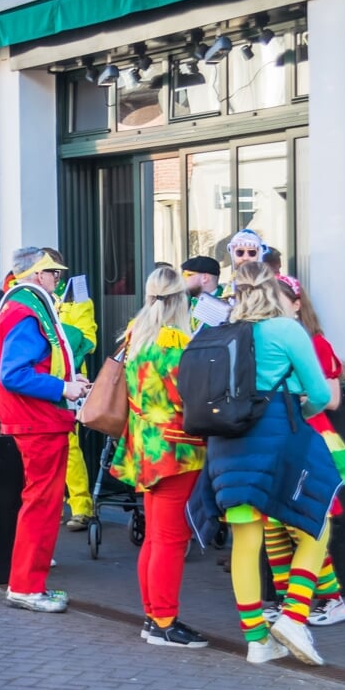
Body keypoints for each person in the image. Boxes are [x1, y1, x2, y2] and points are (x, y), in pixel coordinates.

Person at [186, 262, 333, 664]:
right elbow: (320, 393)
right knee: (315, 523)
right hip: (277, 438)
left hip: (225, 442)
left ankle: (256, 641)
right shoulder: (286, 329)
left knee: (246, 539)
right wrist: (303, 409)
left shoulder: (219, 332)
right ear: (272, 292)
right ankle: (294, 614)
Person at [108, 266, 208, 647]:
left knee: (155, 537)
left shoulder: (136, 335)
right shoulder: (177, 343)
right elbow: (190, 398)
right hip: (176, 446)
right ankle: (163, 622)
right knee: (169, 539)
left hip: (145, 443)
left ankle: (154, 616)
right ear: (181, 299)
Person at [0, 247, 91, 613]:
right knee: (42, 505)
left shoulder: (17, 306)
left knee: (41, 503)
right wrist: (64, 388)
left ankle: (28, 584)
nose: (57, 281)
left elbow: (24, 367)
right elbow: (14, 374)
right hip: (39, 421)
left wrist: (66, 379)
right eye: (53, 274)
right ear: (37, 275)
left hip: (36, 419)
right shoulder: (26, 310)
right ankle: (27, 587)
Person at [273, 275, 345, 628]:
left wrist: (292, 400)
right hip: (280, 438)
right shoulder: (271, 340)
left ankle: (330, 599)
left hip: (309, 438)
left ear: (297, 304)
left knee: (304, 523)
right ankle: (289, 601)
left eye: (280, 300)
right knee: (274, 523)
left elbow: (333, 398)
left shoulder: (316, 343)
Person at [55, 266, 99, 534]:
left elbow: (88, 341)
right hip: (46, 382)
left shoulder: (78, 299)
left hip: (72, 382)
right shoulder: (37, 299)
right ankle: (55, 504)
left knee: (70, 447)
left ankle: (81, 506)